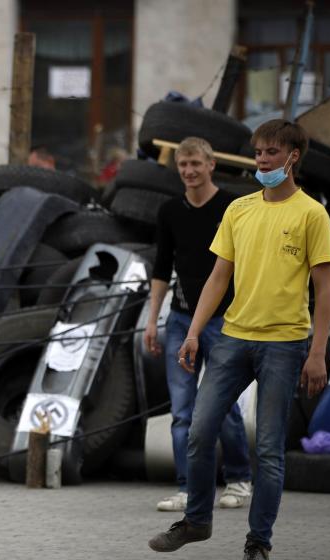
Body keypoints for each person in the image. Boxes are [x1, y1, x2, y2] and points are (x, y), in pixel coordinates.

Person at [148, 120, 330, 560]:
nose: (262, 161)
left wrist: (317, 353)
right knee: (198, 430)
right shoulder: (240, 210)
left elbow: (323, 290)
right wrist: (193, 331)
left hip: (286, 344)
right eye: (258, 153)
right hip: (232, 337)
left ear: (293, 157)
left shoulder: (312, 214)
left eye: (271, 153)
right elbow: (218, 277)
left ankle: (258, 543)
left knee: (268, 448)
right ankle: (196, 522)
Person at [144, 137, 253, 512]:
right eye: (183, 165)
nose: (189, 171)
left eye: (195, 164)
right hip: (179, 317)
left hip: (224, 319)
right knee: (182, 409)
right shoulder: (170, 211)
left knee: (222, 405)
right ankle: (187, 487)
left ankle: (239, 479)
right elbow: (161, 268)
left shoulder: (231, 208)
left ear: (210, 165)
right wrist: (151, 318)